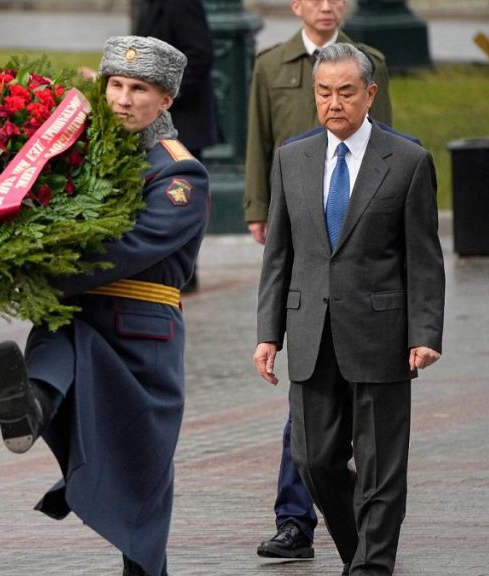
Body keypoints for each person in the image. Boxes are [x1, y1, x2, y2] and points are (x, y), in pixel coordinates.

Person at [0, 36, 210, 576]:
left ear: (166, 101)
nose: (123, 99)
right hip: (78, 313)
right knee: (56, 336)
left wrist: (35, 267)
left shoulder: (179, 173)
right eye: (115, 85)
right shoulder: (81, 156)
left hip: (140, 336)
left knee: (141, 473)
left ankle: (145, 570)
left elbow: (128, 247)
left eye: (139, 89)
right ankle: (31, 408)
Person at [254, 43, 444, 576]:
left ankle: (370, 567)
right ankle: (362, 547)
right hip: (311, 330)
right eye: (323, 92)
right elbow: (279, 254)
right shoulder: (293, 157)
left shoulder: (407, 160)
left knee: (382, 465)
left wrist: (425, 332)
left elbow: (424, 258)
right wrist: (269, 332)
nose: (333, 103)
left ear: (370, 94)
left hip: (383, 333)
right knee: (312, 460)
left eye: (345, 92)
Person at [243, 0, 393, 559]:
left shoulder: (371, 60)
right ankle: (295, 521)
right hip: (302, 234)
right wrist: (259, 207)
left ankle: (365, 533)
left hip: (356, 249)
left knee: (351, 423)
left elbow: (390, 146)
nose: (327, 5)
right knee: (307, 423)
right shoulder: (270, 63)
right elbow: (259, 139)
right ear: (296, 5)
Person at [134, 0, 220, 293]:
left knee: (181, 199)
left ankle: (183, 272)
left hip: (183, 121)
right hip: (160, 118)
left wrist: (164, 97)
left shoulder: (182, 3)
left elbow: (200, 53)